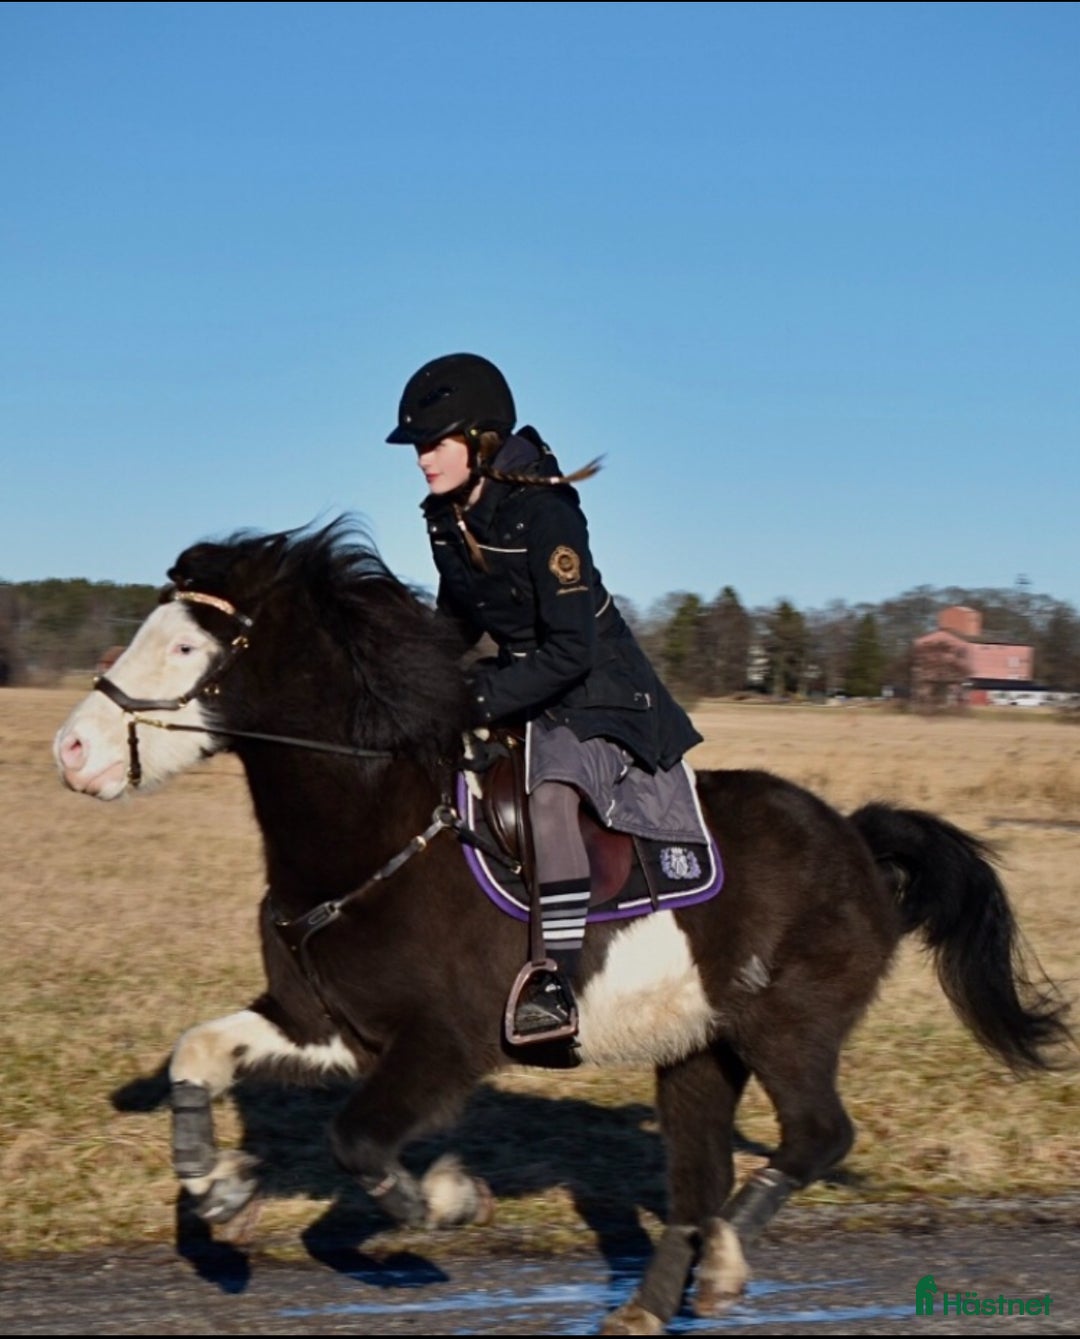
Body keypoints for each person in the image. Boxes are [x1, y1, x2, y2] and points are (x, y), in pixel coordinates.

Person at [387, 352, 703, 1046]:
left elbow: (571, 650)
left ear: (479, 439)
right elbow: (458, 623)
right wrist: (416, 681)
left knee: (551, 787)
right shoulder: (445, 515)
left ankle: (552, 983)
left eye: (433, 443)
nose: (421, 460)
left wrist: (480, 697)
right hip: (526, 682)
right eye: (417, 447)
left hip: (597, 689)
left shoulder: (547, 512)